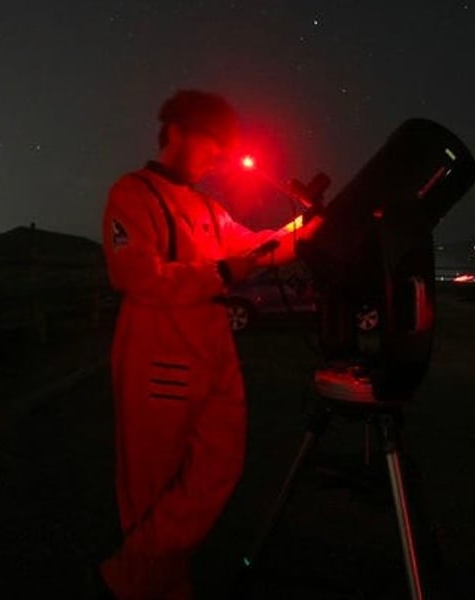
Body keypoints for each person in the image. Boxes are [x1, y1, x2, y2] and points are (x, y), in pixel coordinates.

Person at [98, 89, 318, 599]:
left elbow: (256, 248)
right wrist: (221, 271)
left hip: (213, 349)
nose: (218, 158)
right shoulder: (133, 193)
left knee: (220, 465)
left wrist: (310, 229)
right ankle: (157, 583)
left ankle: (135, 574)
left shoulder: (206, 207)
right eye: (212, 144)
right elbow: (136, 276)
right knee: (150, 483)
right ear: (175, 132)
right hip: (157, 353)